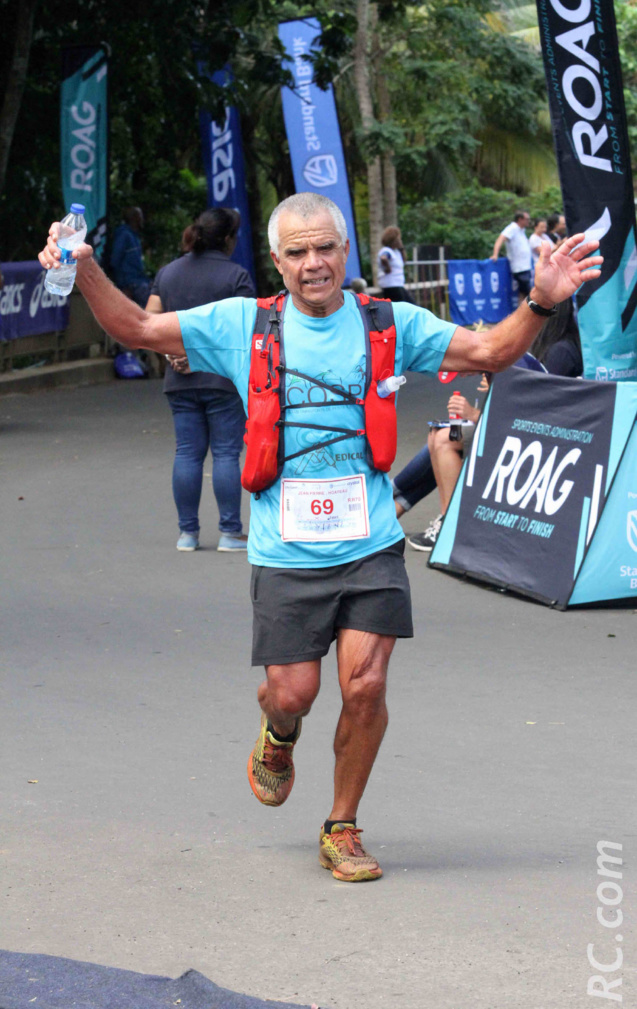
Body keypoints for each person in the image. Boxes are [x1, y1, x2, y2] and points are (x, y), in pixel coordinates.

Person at [39, 193, 602, 882]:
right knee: (294, 691)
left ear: (345, 253)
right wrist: (86, 266)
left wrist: (541, 301)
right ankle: (278, 731)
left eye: (325, 248)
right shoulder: (242, 323)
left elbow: (489, 349)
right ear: (276, 262)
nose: (314, 263)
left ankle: (342, 823)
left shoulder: (387, 322)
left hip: (368, 541)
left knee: (363, 685)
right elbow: (133, 327)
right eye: (298, 252)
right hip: (284, 550)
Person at [146, 208, 255, 552]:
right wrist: (203, 355)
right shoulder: (236, 276)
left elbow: (148, 320)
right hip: (223, 379)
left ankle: (187, 534)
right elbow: (247, 329)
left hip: (178, 380)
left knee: (188, 453)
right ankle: (229, 532)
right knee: (226, 454)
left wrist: (172, 353)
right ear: (226, 239)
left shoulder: (168, 273)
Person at [404, 377, 488, 552]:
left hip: (515, 432)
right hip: (494, 422)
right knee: (436, 433)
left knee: (445, 439)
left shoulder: (523, 363)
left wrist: (473, 414)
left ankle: (454, 524)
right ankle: (446, 517)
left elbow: (515, 416)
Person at [110, 207, 151, 307]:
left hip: (139, 279)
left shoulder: (134, 237)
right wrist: (123, 285)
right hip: (131, 282)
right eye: (140, 216)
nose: (142, 219)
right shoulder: (124, 235)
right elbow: (115, 261)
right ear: (134, 218)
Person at [491, 210, 532, 300]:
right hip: (519, 267)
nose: (528, 221)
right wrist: (495, 254)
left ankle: (522, 312)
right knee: (529, 292)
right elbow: (500, 239)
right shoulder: (512, 228)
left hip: (526, 266)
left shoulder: (521, 230)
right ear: (520, 219)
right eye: (527, 219)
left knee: (523, 293)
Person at [376, 226, 413, 302]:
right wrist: (387, 268)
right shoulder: (386, 250)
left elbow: (404, 260)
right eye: (398, 239)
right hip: (391, 285)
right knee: (404, 306)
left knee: (412, 304)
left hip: (398, 285)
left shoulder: (396, 251)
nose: (400, 240)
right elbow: (384, 258)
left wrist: (401, 248)